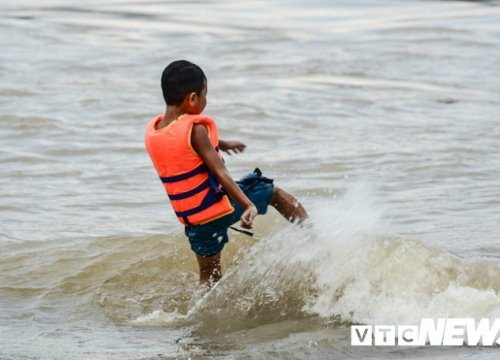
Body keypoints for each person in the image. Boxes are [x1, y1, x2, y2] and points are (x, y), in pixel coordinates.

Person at [145, 60, 308, 286]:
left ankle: (203, 317)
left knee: (210, 279)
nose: (206, 100)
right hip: (218, 207)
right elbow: (221, 173)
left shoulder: (156, 130)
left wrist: (223, 143)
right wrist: (248, 204)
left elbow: (184, 144)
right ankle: (314, 236)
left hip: (196, 220)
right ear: (192, 98)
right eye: (205, 95)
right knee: (272, 192)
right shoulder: (197, 130)